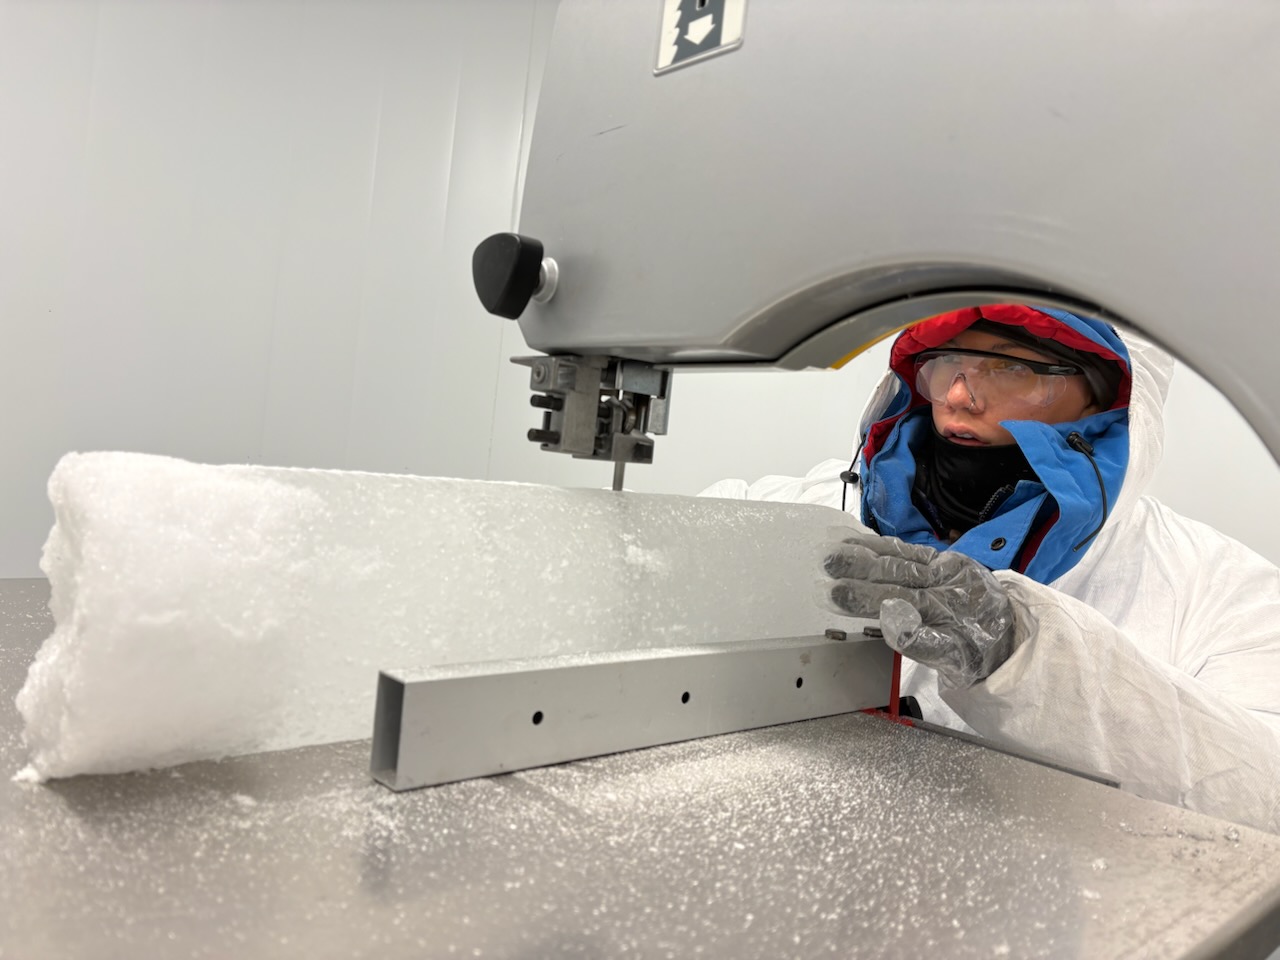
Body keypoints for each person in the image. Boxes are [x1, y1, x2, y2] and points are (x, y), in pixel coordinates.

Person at [702, 304, 1280, 834]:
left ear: (1104, 398)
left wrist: (1023, 656)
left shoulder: (1220, 590)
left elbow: (1263, 793)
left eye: (1009, 368)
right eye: (945, 362)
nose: (959, 395)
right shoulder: (796, 512)